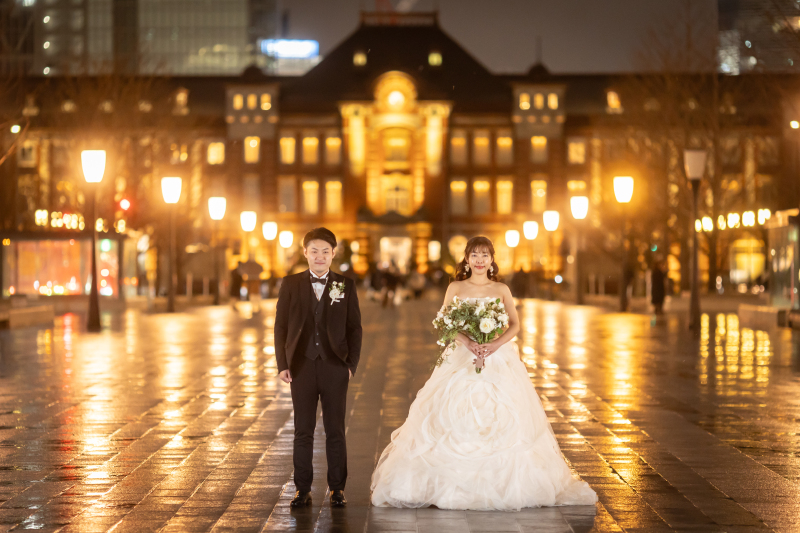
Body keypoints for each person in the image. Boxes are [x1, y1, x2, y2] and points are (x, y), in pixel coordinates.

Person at [370, 236, 597, 511]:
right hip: (462, 356)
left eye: (484, 255)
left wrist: (493, 345)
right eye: (474, 255)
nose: (479, 260)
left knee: (503, 415)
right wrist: (468, 342)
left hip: (497, 357)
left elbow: (514, 324)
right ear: (466, 259)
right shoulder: (456, 287)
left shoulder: (501, 288)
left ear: (491, 259)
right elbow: (445, 322)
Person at [274, 228, 362, 509]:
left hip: (335, 367)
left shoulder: (345, 285)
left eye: (326, 251)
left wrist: (351, 365)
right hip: (301, 366)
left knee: (335, 429)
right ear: (305, 253)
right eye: (314, 251)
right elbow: (281, 327)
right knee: (303, 430)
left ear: (333, 253)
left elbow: (354, 328)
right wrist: (282, 364)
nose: (320, 256)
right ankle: (302, 489)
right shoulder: (290, 284)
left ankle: (337, 488)